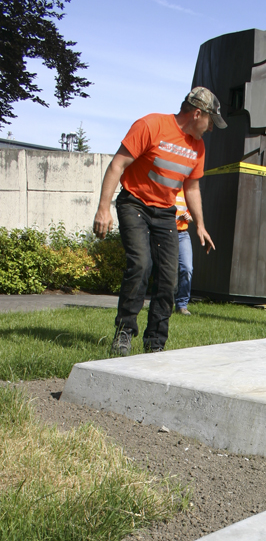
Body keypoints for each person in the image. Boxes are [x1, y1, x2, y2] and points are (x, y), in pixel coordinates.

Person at [93, 86, 227, 355]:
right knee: (141, 265)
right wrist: (103, 209)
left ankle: (155, 343)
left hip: (166, 212)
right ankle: (124, 333)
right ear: (197, 114)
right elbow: (117, 165)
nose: (210, 129)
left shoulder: (197, 147)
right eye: (210, 122)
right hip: (135, 204)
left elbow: (191, 188)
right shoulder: (151, 125)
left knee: (169, 278)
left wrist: (200, 224)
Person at [174, 188, 193, 315]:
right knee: (166, 270)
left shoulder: (187, 190)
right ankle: (163, 302)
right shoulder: (164, 186)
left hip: (182, 233)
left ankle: (182, 305)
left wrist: (189, 216)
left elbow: (192, 214)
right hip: (165, 233)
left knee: (186, 268)